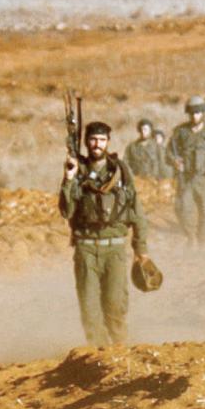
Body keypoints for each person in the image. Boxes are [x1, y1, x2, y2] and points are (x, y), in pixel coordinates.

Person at [59, 121, 151, 346]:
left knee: (114, 307)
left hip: (115, 249)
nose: (97, 144)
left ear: (108, 142)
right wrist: (68, 179)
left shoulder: (120, 171)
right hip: (86, 248)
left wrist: (141, 250)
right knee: (90, 311)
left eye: (101, 140)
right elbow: (66, 210)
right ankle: (98, 359)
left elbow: (136, 211)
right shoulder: (77, 172)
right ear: (86, 142)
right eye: (92, 139)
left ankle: (120, 356)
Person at [169, 96, 205, 244]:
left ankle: (204, 241)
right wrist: (174, 161)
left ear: (203, 113)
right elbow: (169, 152)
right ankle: (191, 236)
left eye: (198, 113)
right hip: (186, 178)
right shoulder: (180, 132)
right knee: (183, 209)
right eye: (192, 113)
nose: (195, 116)